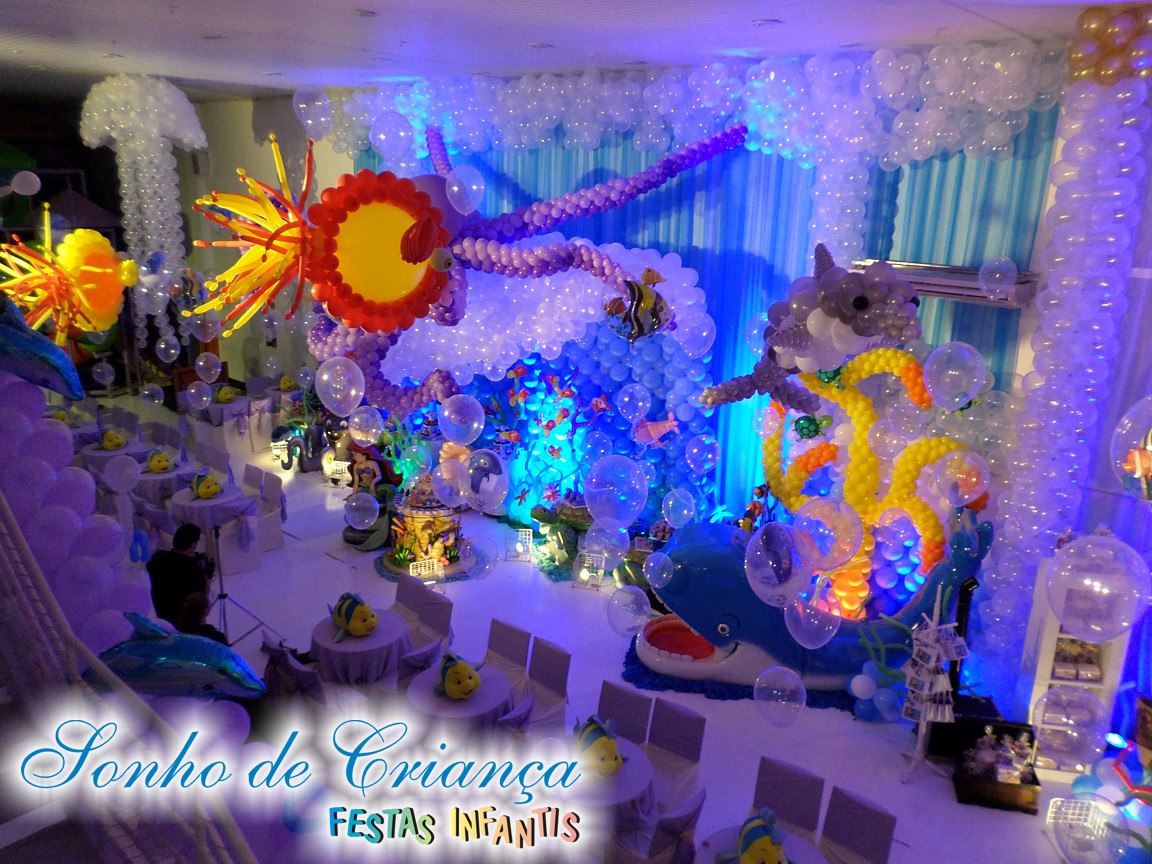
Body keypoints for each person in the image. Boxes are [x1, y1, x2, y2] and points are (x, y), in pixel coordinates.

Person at [147, 523, 215, 627]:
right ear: (193, 544)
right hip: (186, 625)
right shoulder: (193, 570)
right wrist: (207, 581)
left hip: (163, 619)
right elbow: (203, 609)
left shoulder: (158, 558)